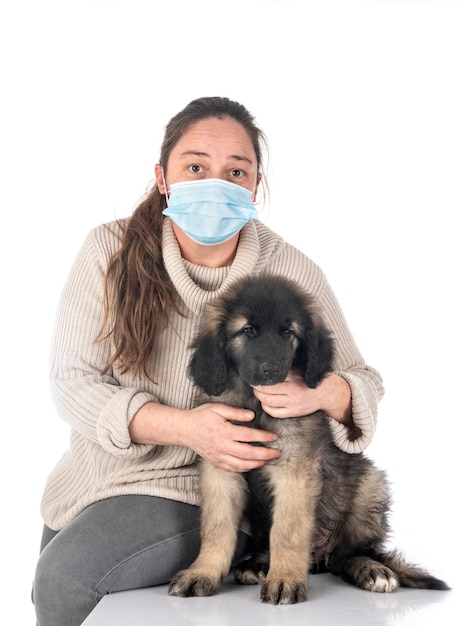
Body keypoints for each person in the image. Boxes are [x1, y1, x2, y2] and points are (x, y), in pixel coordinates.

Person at [33, 96, 384, 625]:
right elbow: (70, 381)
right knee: (50, 587)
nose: (214, 184)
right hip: (98, 476)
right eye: (195, 167)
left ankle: (241, 548)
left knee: (66, 579)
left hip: (217, 488)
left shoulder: (290, 270)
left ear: (255, 186)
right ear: (163, 177)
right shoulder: (108, 250)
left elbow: (364, 380)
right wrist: (184, 427)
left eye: (235, 171)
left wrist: (323, 392)